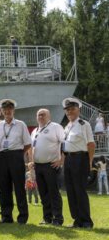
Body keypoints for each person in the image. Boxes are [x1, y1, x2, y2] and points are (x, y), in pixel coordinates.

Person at [0, 99, 31, 224]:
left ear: (13, 110)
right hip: (2, 157)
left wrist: (18, 153)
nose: (7, 111)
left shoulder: (21, 124)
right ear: (2, 111)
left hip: (16, 156)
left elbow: (27, 144)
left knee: (20, 188)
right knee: (4, 188)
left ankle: (22, 217)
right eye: (5, 109)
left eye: (9, 109)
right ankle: (6, 217)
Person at [62, 97, 95, 228]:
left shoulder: (83, 124)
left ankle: (86, 221)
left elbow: (91, 144)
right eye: (68, 110)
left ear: (79, 110)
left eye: (72, 109)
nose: (70, 111)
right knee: (70, 191)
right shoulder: (67, 126)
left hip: (80, 159)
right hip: (68, 159)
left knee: (80, 190)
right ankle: (77, 220)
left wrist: (90, 162)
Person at [29, 109, 64, 226]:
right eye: (38, 114)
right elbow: (31, 148)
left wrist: (61, 160)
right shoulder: (34, 130)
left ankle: (58, 218)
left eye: (43, 114)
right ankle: (47, 217)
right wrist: (31, 162)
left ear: (49, 116)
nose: (41, 116)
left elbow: (64, 143)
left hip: (51, 165)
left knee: (53, 193)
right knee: (43, 193)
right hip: (38, 166)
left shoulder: (56, 127)